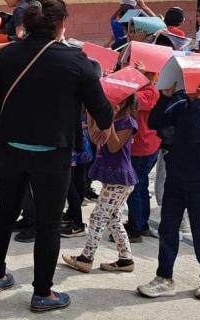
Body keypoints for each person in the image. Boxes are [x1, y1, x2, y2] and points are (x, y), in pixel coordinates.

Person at [0, 0, 113, 313]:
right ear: (61, 23)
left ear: (26, 24)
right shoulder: (76, 60)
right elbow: (103, 114)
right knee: (49, 223)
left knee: (5, 212)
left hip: (10, 150)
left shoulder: (6, 56)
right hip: (52, 155)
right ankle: (42, 293)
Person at [139, 82, 200, 300]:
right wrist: (165, 98)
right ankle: (164, 277)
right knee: (168, 229)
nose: (193, 87)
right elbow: (155, 122)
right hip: (175, 178)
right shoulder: (181, 103)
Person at [62, 93, 138, 274]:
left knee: (98, 217)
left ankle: (86, 258)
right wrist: (91, 114)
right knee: (114, 219)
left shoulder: (128, 123)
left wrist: (109, 119)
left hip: (119, 180)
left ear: (124, 102)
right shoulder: (111, 119)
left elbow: (114, 146)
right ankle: (126, 259)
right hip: (111, 179)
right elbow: (95, 137)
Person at [125, 61, 161, 241]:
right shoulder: (148, 89)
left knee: (134, 187)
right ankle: (141, 222)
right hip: (146, 144)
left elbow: (132, 100)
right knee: (141, 184)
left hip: (143, 145)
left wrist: (135, 77)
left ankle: (135, 228)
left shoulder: (150, 92)